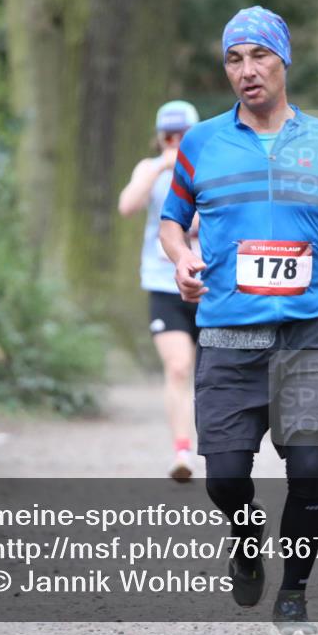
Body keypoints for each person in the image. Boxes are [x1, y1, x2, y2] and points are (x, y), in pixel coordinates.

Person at [159, 5, 318, 635]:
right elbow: (171, 221)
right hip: (229, 337)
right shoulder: (202, 142)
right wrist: (182, 258)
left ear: (284, 62)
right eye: (234, 59)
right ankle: (245, 535)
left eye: (259, 56)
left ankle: (294, 592)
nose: (246, 71)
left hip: (306, 335)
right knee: (225, 479)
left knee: (308, 469)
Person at [118, 100, 201, 482]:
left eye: (183, 136)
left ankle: (219, 449)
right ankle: (182, 452)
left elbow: (203, 222)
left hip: (207, 283)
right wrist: (158, 169)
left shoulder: (209, 170)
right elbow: (127, 206)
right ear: (159, 138)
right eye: (169, 136)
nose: (175, 142)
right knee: (179, 366)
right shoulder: (148, 169)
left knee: (213, 373)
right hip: (162, 282)